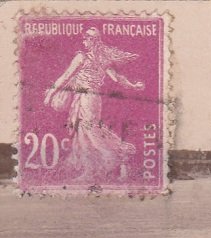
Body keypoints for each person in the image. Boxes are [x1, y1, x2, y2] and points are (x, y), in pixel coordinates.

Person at [43, 27, 145, 183]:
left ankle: (101, 164)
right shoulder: (103, 60)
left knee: (87, 132)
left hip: (86, 98)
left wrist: (50, 94)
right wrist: (133, 85)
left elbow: (65, 77)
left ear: (93, 41)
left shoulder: (81, 57)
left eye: (86, 38)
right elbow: (117, 78)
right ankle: (104, 163)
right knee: (88, 131)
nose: (84, 41)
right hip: (94, 99)